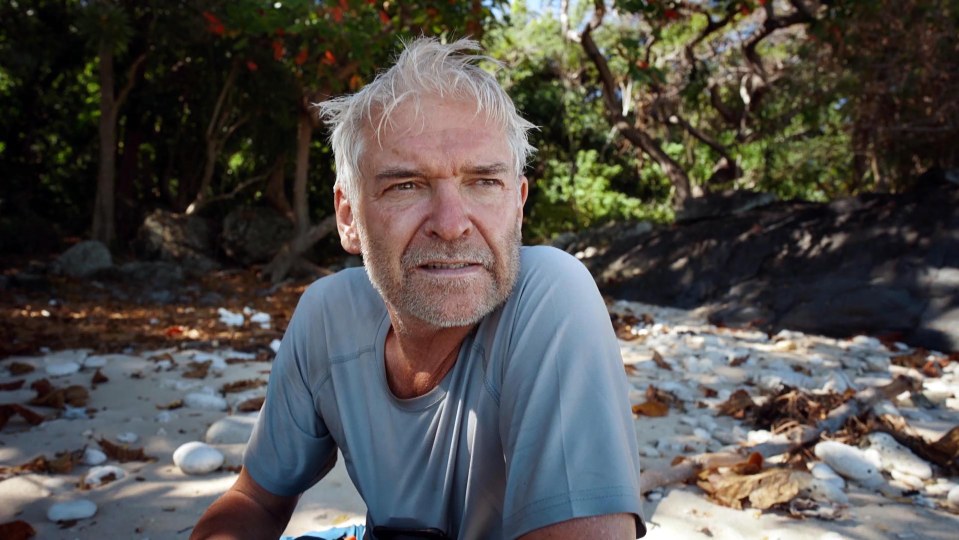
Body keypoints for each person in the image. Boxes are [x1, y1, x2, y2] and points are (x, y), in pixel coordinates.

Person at [192, 37, 645, 540]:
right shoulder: (327, 315)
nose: (451, 225)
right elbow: (254, 498)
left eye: (483, 182)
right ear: (349, 217)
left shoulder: (552, 294)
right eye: (405, 185)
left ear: (518, 204)